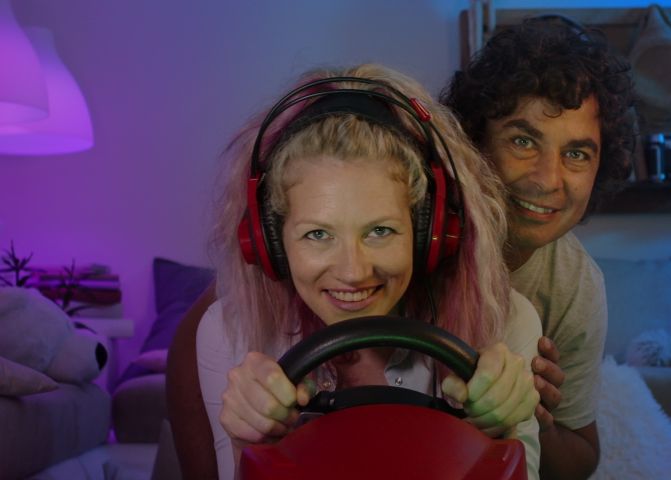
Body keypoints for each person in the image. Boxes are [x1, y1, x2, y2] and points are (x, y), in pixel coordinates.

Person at [183, 63, 542, 480]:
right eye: (317, 234)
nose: (352, 272)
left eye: (380, 231)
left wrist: (500, 432)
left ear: (430, 233)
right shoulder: (228, 332)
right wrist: (250, 445)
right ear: (269, 241)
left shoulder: (508, 321)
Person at [441, 16, 638, 480]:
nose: (548, 179)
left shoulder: (575, 287)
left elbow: (581, 458)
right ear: (475, 143)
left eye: (576, 154)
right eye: (523, 140)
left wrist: (531, 414)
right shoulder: (408, 235)